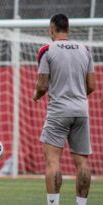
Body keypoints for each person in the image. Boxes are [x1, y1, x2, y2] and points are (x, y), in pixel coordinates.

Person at [33, 14, 96, 205]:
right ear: (68, 29)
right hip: (81, 111)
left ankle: (53, 203)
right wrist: (76, 95)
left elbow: (42, 85)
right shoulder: (85, 50)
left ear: (52, 29)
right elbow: (92, 85)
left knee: (53, 161)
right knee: (82, 163)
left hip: (59, 111)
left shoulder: (47, 50)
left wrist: (36, 96)